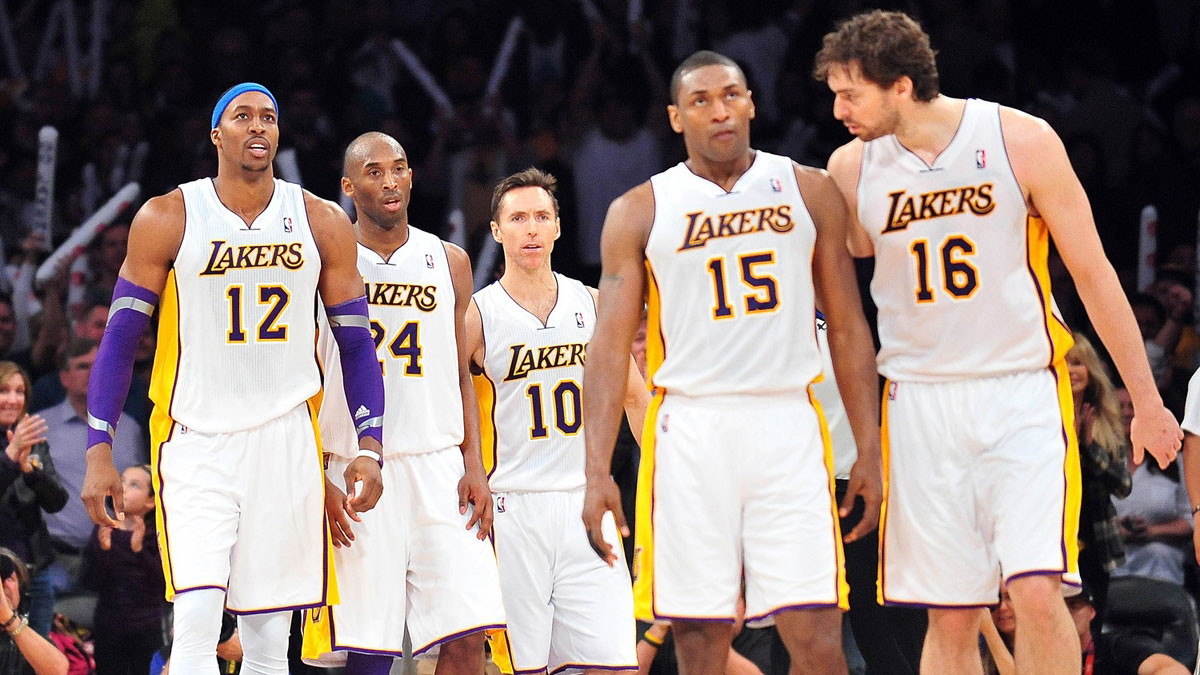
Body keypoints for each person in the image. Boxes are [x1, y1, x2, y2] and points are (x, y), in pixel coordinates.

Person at [815, 10, 1182, 674]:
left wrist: (1149, 401)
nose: (837, 108)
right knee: (951, 612)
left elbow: (1096, 275)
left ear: (900, 85)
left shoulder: (1020, 139)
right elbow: (827, 297)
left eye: (850, 93)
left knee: (1038, 589)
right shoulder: (849, 166)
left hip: (1020, 393)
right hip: (920, 403)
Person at [582, 50, 883, 675]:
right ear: (674, 116)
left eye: (731, 95)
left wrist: (873, 449)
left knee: (818, 633)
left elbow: (850, 328)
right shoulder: (639, 209)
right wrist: (596, 473)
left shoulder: (809, 189)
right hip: (690, 430)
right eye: (700, 100)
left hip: (790, 425)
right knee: (697, 636)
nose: (719, 110)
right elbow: (609, 349)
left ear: (751, 102)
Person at [78, 83, 386, 675]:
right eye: (243, 117)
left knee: (269, 642)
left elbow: (356, 343)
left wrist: (370, 445)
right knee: (194, 625)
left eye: (269, 117)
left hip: (286, 440)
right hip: (197, 440)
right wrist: (100, 449)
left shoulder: (321, 220)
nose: (259, 127)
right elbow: (119, 339)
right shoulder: (169, 215)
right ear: (217, 134)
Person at [302, 132, 505, 675]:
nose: (390, 181)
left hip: (440, 466)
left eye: (399, 167)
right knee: (371, 651)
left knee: (467, 636)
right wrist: (315, 473)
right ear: (348, 186)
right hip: (357, 469)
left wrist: (474, 464)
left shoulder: (451, 260)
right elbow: (294, 375)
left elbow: (460, 373)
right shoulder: (321, 261)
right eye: (373, 171)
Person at [466, 168, 647, 675]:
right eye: (518, 218)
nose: (531, 228)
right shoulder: (479, 315)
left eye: (541, 216)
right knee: (525, 668)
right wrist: (471, 469)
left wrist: (667, 470)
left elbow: (635, 397)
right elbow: (449, 400)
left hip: (588, 502)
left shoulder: (591, 302)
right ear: (497, 231)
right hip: (514, 507)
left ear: (559, 228)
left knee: (615, 665)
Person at [1066, 333, 1131, 643]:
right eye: (1063, 363)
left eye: (1077, 363)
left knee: (1089, 632)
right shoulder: (1040, 418)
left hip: (1096, 542)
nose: (1070, 370)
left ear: (1090, 369)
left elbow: (1123, 485)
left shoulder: (1105, 420)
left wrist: (1088, 445)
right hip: (1055, 539)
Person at [0, 362, 65, 638]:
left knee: (39, 658)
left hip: (33, 572)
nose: (13, 399)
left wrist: (29, 470)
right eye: (4, 390)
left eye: (20, 391)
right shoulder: (18, 444)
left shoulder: (33, 441)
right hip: (1, 573)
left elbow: (57, 501)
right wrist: (11, 456)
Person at [83, 464, 164, 675]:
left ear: (151, 501)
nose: (124, 488)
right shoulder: (104, 529)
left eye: (134, 485)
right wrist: (103, 550)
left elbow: (163, 586)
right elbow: (90, 582)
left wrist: (139, 551)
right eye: (122, 481)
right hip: (108, 627)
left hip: (146, 628)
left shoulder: (156, 535)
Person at [0, 549, 69, 675]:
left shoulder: (29, 637)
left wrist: (9, 618)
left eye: (8, 578)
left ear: (21, 590)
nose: (2, 586)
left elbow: (58, 671)